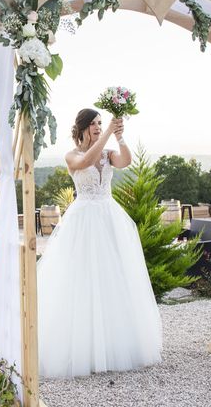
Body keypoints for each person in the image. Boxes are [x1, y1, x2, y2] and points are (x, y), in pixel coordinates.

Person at [37, 108, 162, 378]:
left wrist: (119, 138)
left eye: (100, 123)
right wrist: (106, 134)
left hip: (109, 216)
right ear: (82, 127)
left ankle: (114, 343)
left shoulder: (106, 153)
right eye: (93, 124)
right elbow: (84, 164)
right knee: (81, 279)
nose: (97, 126)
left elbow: (125, 161)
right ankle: (83, 346)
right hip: (83, 220)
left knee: (112, 276)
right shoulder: (72, 155)